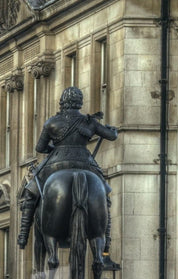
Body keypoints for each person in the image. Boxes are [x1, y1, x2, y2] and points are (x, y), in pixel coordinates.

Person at [16, 85, 119, 249]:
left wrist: (55, 149)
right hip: (85, 163)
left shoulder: (52, 123)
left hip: (57, 163)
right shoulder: (89, 121)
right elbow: (111, 137)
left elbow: (40, 148)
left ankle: (23, 236)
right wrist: (113, 131)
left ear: (62, 102)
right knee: (105, 196)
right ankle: (106, 239)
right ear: (79, 102)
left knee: (30, 193)